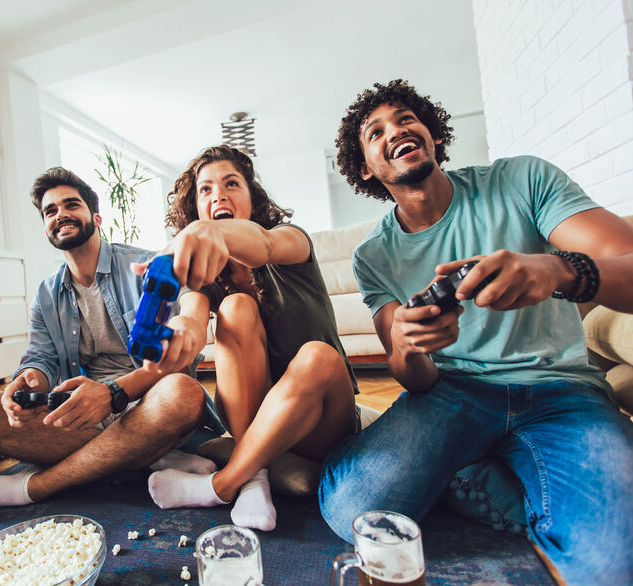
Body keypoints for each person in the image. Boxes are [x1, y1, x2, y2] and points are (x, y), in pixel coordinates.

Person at [319, 79, 633, 584]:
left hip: (562, 390)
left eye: (405, 118)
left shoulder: (521, 180)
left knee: (616, 559)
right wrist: (411, 344)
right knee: (353, 510)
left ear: (432, 134)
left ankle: (476, 478)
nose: (396, 130)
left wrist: (558, 271)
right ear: (366, 168)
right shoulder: (373, 256)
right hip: (452, 393)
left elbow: (627, 259)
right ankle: (524, 487)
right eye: (375, 131)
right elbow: (411, 376)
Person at [0, 167, 221, 513]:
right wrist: (29, 380)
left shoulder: (143, 265)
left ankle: (32, 487)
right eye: (50, 211)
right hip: (82, 413)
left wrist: (114, 393)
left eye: (71, 205)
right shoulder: (46, 294)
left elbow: (184, 341)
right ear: (45, 226)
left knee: (184, 393)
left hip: (149, 403)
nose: (61, 215)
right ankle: (149, 458)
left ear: (96, 217)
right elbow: (39, 357)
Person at [144, 145, 359, 531]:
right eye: (205, 190)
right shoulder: (204, 278)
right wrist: (176, 337)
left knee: (317, 357)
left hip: (321, 415)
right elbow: (192, 321)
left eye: (231, 184)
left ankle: (223, 484)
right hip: (251, 414)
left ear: (252, 197)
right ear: (195, 205)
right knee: (236, 308)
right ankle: (255, 477)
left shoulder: (290, 241)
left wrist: (204, 232)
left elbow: (263, 244)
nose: (219, 196)